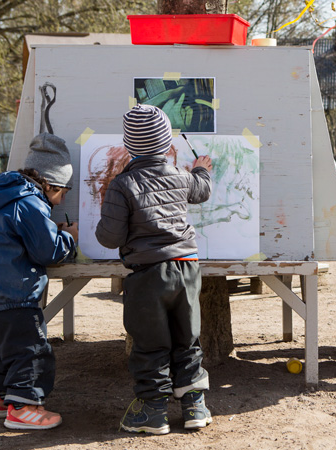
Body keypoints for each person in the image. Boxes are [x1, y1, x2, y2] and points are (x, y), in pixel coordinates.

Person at [96, 104, 213, 435]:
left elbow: (110, 237)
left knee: (150, 344)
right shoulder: (181, 176)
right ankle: (194, 406)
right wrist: (202, 170)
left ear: (128, 146)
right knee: (187, 339)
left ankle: (152, 410)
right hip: (187, 269)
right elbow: (202, 190)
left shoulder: (122, 185)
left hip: (148, 275)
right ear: (167, 143)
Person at [0, 132, 79, 430]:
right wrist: (69, 237)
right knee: (31, 351)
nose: (62, 200)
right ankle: (23, 409)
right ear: (51, 184)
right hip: (15, 291)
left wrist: (48, 228)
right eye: (64, 192)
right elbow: (48, 251)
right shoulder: (30, 202)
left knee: (5, 350)